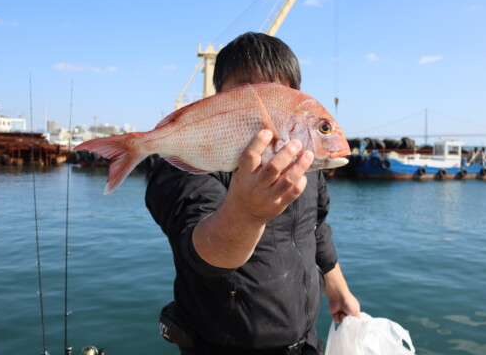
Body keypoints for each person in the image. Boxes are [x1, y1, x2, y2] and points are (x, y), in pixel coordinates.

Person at [146, 32, 360, 355]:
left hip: (306, 343)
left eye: (277, 96)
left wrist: (339, 291)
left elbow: (316, 229)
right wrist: (245, 215)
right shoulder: (188, 164)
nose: (267, 118)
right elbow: (198, 252)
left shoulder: (306, 165)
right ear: (218, 99)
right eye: (250, 93)